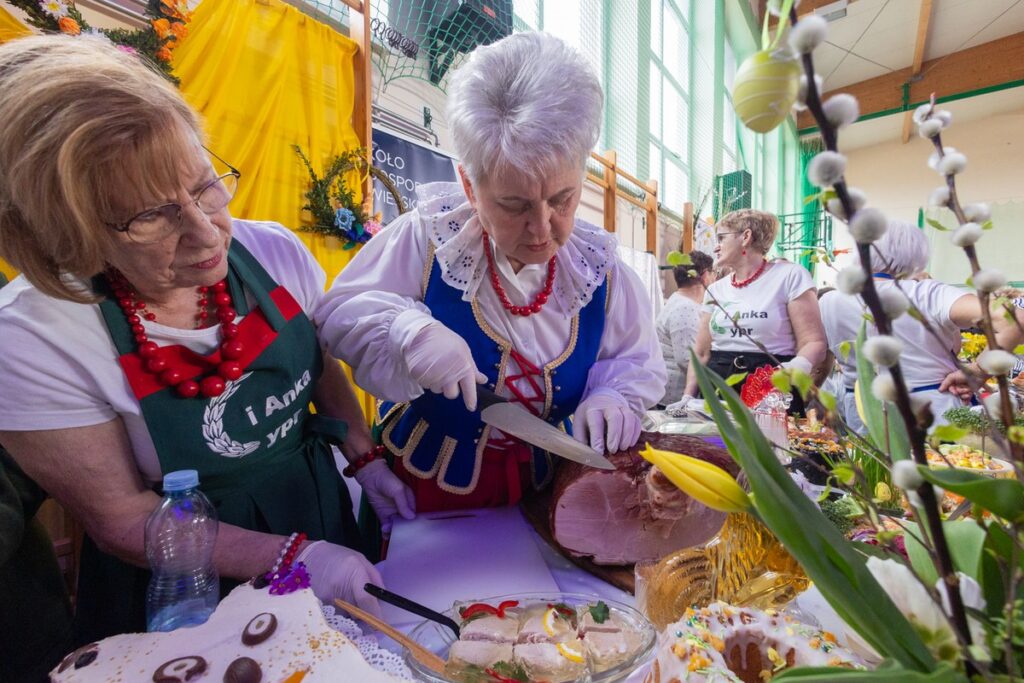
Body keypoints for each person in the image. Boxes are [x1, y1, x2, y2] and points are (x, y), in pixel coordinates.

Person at [0, 35, 412, 642]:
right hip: (185, 584)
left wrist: (364, 456)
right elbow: (123, 521)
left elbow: (317, 364)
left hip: (316, 507)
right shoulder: (35, 339)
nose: (205, 233)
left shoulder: (272, 250)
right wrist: (294, 559)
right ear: (68, 231)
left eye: (203, 186)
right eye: (149, 216)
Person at [316, 32, 666, 512]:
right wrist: (406, 330)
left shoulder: (601, 272)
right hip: (424, 491)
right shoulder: (428, 239)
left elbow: (632, 362)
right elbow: (337, 315)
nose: (542, 228)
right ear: (468, 184)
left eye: (562, 199)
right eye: (514, 204)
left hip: (550, 497)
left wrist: (614, 396)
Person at [820, 220, 1024, 434]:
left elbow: (820, 361)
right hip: (932, 413)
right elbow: (1014, 320)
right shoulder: (928, 293)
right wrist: (979, 371)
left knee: (874, 466)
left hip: (865, 415)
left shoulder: (829, 301)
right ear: (917, 256)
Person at [679, 209, 827, 413]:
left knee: (768, 444)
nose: (715, 247)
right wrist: (688, 395)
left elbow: (814, 341)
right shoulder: (715, 289)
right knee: (716, 444)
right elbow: (702, 352)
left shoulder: (790, 276)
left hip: (771, 384)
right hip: (719, 385)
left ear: (746, 237)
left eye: (721, 238)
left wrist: (794, 369)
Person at [656, 251, 714, 406]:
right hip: (675, 399)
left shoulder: (682, 301)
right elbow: (687, 360)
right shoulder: (684, 308)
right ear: (705, 276)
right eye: (713, 272)